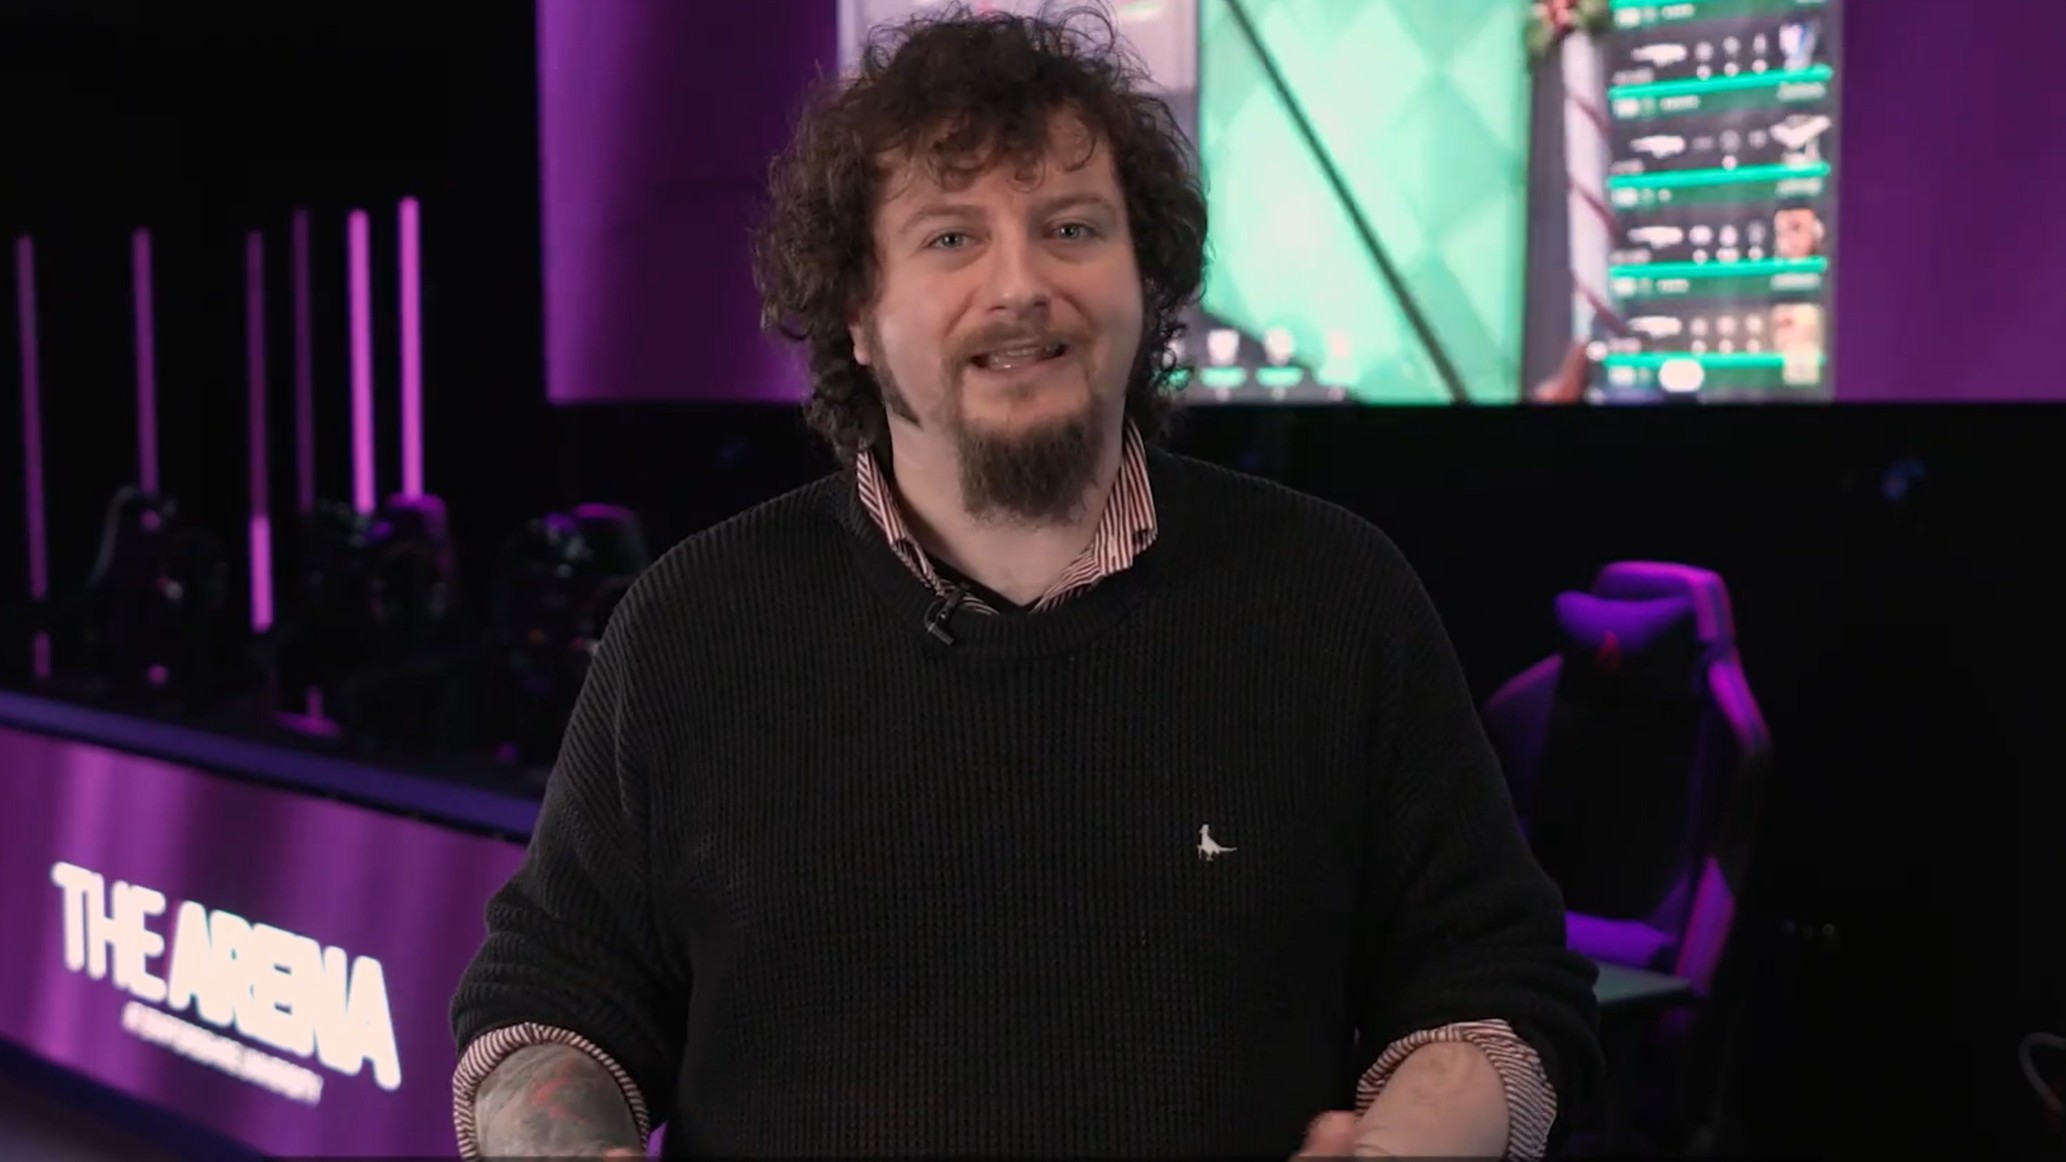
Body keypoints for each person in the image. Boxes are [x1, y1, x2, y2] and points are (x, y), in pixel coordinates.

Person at [449, 6, 1602, 1158]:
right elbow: (545, 1007)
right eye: (951, 237)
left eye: (1071, 227)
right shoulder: (694, 626)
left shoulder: (1334, 598)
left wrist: (1405, 1144)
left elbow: (1498, 987)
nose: (1020, 285)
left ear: (1144, 281)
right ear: (857, 314)